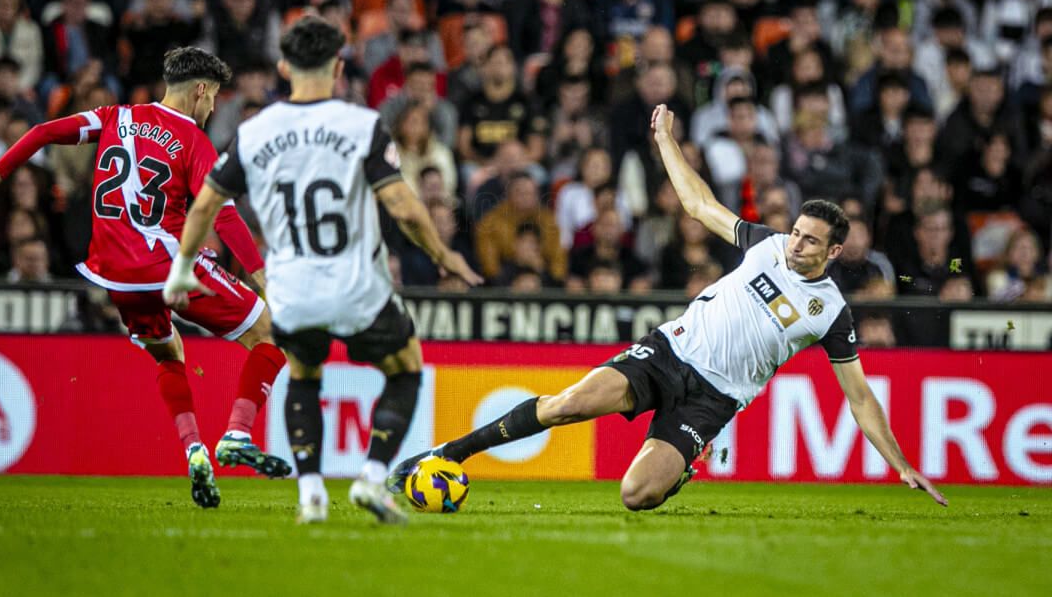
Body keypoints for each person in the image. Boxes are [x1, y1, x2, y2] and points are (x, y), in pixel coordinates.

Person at [389, 104, 948, 512]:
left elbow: (860, 397)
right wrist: (665, 142)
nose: (795, 243)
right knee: (566, 406)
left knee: (637, 495)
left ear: (833, 251)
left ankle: (679, 472)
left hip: (713, 399)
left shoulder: (830, 312)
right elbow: (699, 203)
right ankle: (449, 452)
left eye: (808, 240)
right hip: (668, 351)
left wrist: (899, 463)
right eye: (796, 232)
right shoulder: (766, 244)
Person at [165, 17, 481, 524]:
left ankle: (311, 492)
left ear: (285, 66)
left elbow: (205, 205)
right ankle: (373, 479)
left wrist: (182, 267)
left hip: (292, 290)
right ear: (338, 66)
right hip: (358, 287)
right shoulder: (362, 125)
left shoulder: (254, 131)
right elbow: (401, 204)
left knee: (305, 376)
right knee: (405, 369)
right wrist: (444, 255)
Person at [0, 47, 292, 509]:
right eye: (213, 100)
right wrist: (260, 276)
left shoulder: (115, 117)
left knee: (169, 354)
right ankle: (237, 435)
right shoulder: (192, 140)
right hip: (167, 266)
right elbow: (222, 215)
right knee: (270, 333)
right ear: (202, 91)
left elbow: (44, 131)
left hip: (114, 277)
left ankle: (194, 451)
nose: (212, 110)